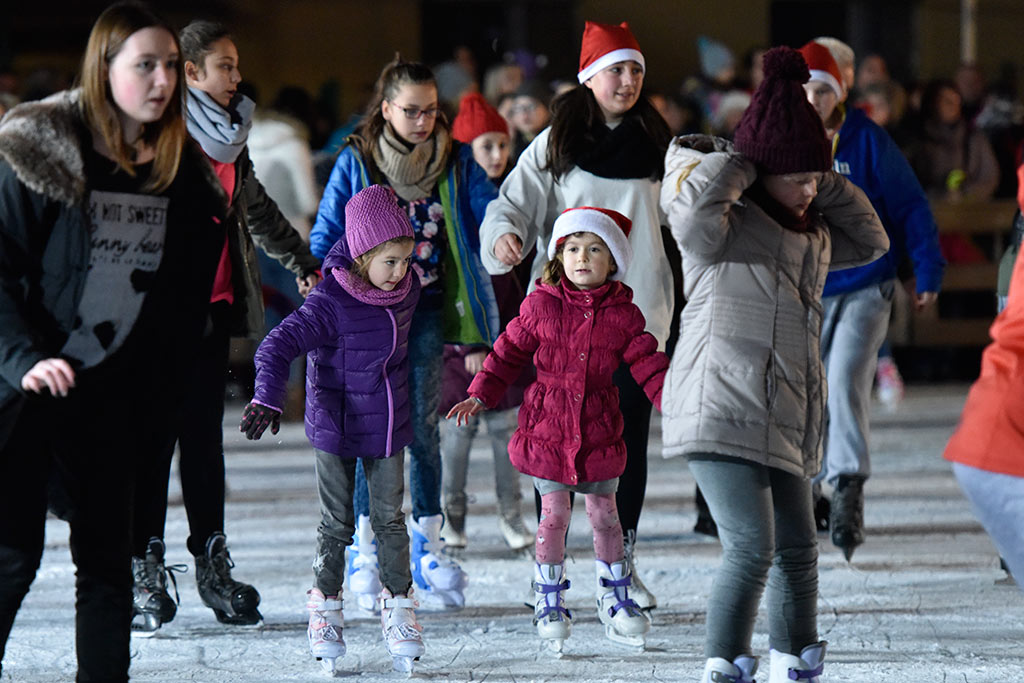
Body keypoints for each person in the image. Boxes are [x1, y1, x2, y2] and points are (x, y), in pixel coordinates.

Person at [0, 2, 230, 679]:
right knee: (13, 557)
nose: (162, 80)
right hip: (27, 388)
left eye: (169, 66)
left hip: (109, 398)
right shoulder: (40, 152)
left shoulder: (180, 171)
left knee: (106, 565)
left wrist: (163, 379)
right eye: (145, 65)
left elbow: (184, 290)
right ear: (104, 72)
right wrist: (23, 360)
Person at [659, 46, 888, 682]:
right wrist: (746, 163)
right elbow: (696, 213)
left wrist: (820, 171)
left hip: (783, 409)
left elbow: (872, 241)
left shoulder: (812, 235)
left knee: (798, 547)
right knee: (753, 546)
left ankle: (797, 654)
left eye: (814, 176)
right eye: (795, 176)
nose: (808, 187)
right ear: (757, 170)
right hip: (720, 407)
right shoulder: (722, 230)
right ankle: (725, 661)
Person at [128, 19, 322, 634]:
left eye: (237, 65)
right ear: (189, 73)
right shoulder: (163, 134)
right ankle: (143, 566)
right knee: (153, 444)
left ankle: (212, 561)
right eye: (225, 66)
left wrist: (303, 262)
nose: (237, 76)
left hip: (211, 311)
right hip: (157, 316)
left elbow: (255, 208)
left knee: (204, 443)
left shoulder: (231, 142)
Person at [479, 20, 673, 612]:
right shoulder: (557, 142)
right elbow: (513, 200)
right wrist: (508, 233)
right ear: (590, 76)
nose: (628, 80)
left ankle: (623, 564)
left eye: (636, 69)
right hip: (565, 319)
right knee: (554, 448)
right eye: (617, 69)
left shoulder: (659, 142)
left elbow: (688, 211)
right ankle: (550, 567)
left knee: (625, 449)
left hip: (636, 317)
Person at [310, 56, 499, 612]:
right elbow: (327, 232)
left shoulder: (455, 160)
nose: (422, 121)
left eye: (431, 110)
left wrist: (502, 231)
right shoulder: (358, 159)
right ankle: (366, 545)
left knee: (420, 422)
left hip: (430, 306)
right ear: (386, 108)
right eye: (410, 111)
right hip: (370, 312)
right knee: (375, 426)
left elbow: (488, 210)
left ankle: (427, 540)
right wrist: (325, 281)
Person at [449, 206, 668, 653]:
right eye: (572, 248)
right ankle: (548, 597)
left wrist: (674, 404)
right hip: (548, 428)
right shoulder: (540, 304)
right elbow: (507, 352)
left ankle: (614, 596)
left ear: (613, 262)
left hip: (599, 429)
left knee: (606, 515)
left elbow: (649, 362)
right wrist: (480, 393)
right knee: (554, 517)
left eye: (594, 249)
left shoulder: (623, 314)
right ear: (559, 256)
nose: (582, 257)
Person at [243, 185, 425, 675]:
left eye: (406, 261)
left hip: (388, 424)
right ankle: (325, 608)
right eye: (390, 261)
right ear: (363, 255)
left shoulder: (406, 292)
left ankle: (400, 607)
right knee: (337, 523)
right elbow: (275, 346)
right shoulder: (329, 300)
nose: (401, 272)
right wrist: (267, 395)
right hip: (338, 424)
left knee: (390, 519)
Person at [799, 39, 944, 559]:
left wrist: (926, 267)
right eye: (805, 90)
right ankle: (808, 486)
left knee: (844, 377)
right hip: (806, 288)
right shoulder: (786, 142)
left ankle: (849, 489)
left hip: (867, 283)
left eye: (822, 90)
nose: (812, 100)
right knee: (807, 388)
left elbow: (909, 206)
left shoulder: (866, 140)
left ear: (838, 92)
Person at [439, 92, 533, 553]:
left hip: (511, 346)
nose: (496, 155)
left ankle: (511, 515)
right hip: (465, 349)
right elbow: (451, 282)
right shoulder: (457, 210)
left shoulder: (516, 199)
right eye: (485, 147)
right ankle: (451, 515)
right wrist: (468, 343)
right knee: (457, 436)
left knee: (507, 436)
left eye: (501, 145)